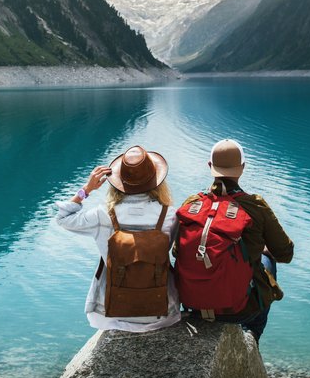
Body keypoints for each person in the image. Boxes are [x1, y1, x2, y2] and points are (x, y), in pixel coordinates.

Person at [177, 138, 294, 341]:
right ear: (242, 168)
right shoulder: (255, 206)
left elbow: (176, 252)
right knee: (268, 261)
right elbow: (286, 253)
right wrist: (261, 249)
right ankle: (252, 337)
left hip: (192, 303)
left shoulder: (192, 204)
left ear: (210, 166)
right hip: (239, 311)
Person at [55, 145, 181, 332]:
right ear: (156, 181)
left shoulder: (103, 214)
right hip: (162, 313)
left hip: (110, 313)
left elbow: (63, 219)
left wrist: (86, 189)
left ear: (118, 182)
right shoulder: (170, 215)